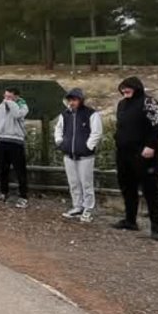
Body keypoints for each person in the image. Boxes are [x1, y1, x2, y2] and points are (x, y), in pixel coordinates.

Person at [114, 76, 158, 240]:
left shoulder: (148, 102)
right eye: (122, 88)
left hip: (144, 153)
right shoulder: (122, 104)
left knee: (150, 190)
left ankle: (156, 227)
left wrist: (151, 145)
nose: (124, 91)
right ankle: (130, 220)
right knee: (127, 187)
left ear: (137, 87)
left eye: (128, 87)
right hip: (124, 153)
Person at [54, 89, 102, 224]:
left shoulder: (91, 114)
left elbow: (96, 132)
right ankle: (77, 206)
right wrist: (60, 142)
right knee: (73, 182)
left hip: (85, 156)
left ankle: (88, 208)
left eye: (74, 100)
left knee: (86, 183)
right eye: (70, 100)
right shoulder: (65, 114)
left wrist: (88, 146)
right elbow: (58, 128)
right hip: (69, 154)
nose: (71, 102)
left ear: (80, 100)